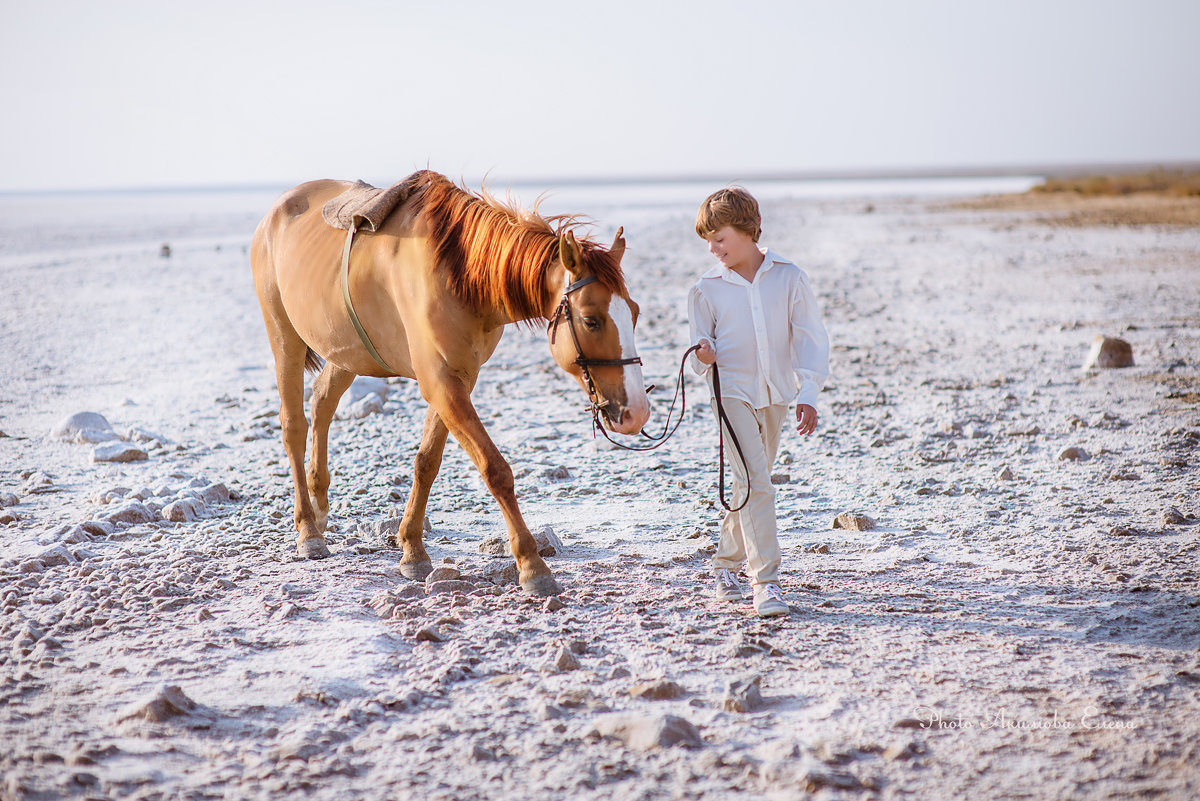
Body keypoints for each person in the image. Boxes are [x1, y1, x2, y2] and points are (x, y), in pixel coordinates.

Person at [688, 186, 830, 617]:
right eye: (708, 240)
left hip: (777, 394)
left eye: (719, 237)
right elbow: (697, 350)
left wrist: (808, 393)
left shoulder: (789, 276)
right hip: (730, 392)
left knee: (751, 483)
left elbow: (810, 338)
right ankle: (764, 583)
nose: (712, 248)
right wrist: (703, 354)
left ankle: (725, 564)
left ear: (748, 230)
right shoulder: (706, 289)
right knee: (758, 484)